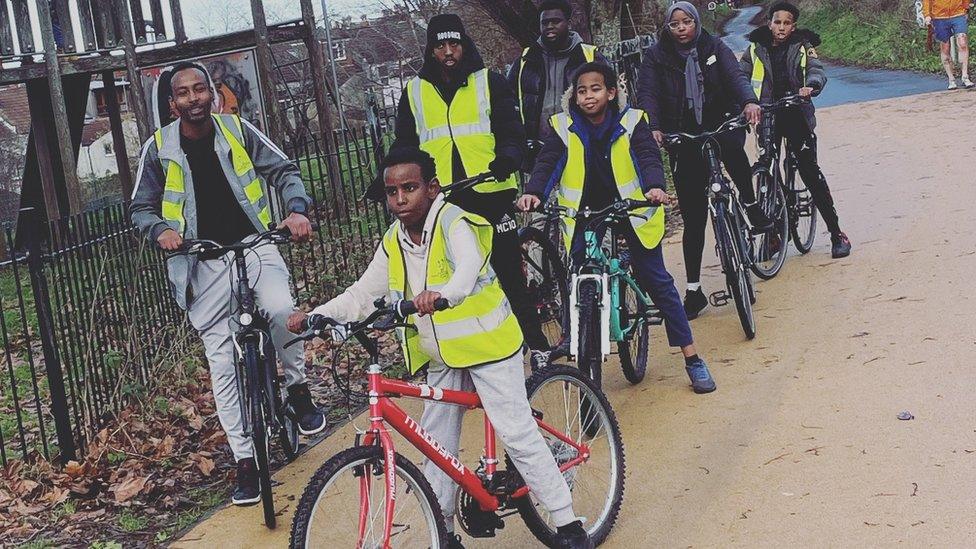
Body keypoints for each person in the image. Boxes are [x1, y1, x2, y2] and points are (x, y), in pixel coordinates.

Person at [290, 147, 595, 549]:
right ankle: (444, 532)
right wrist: (318, 315)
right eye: (391, 191)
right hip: (444, 353)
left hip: (489, 343)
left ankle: (567, 521)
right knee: (436, 445)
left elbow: (467, 271)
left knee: (516, 432)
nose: (400, 199)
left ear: (432, 188)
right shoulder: (394, 240)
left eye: (410, 188)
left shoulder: (454, 222)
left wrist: (443, 294)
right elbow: (362, 293)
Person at [129, 62, 326, 506]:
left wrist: (295, 209)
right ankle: (245, 460)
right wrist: (160, 230)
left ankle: (296, 388)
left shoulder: (237, 129)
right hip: (201, 263)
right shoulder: (158, 148)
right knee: (222, 361)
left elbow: (284, 170)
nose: (194, 98)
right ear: (172, 103)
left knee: (280, 310)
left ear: (212, 95)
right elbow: (140, 208)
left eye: (201, 89)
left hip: (256, 245)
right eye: (184, 93)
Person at [517, 62, 716, 394]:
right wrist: (534, 193)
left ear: (611, 92)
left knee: (657, 280)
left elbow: (648, 157)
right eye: (581, 91)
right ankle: (581, 354)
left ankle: (692, 358)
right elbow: (548, 162)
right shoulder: (563, 126)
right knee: (578, 279)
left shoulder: (633, 121)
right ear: (574, 96)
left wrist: (654, 187)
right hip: (582, 212)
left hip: (632, 208)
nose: (588, 96)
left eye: (596, 89)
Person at [386, 14, 553, 369]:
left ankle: (537, 345)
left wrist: (508, 157)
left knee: (507, 268)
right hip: (444, 196)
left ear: (464, 44)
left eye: (454, 44)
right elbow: (404, 144)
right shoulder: (414, 92)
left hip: (490, 190)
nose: (448, 52)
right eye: (440, 46)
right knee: (453, 276)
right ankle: (466, 350)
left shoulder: (488, 81)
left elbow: (511, 129)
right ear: (430, 50)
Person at [637, 1, 770, 321]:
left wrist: (749, 102)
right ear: (667, 27)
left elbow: (735, 76)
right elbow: (648, 94)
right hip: (682, 135)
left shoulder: (714, 46)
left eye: (686, 22)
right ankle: (694, 290)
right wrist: (653, 126)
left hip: (720, 119)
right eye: (675, 24)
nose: (681, 28)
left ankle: (750, 205)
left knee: (733, 152)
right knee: (694, 217)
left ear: (696, 22)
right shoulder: (655, 57)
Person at [741, 1, 852, 259]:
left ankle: (836, 233)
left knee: (809, 171)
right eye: (777, 22)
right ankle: (772, 236)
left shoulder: (803, 47)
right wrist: (744, 100)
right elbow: (741, 76)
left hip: (795, 113)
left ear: (793, 26)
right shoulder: (755, 49)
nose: (781, 27)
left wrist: (810, 86)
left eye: (786, 23)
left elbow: (816, 70)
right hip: (768, 114)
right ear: (768, 23)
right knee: (767, 169)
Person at [507, 0, 609, 170]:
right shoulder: (526, 60)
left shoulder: (590, 57)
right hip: (537, 154)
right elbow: (509, 103)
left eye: (556, 21)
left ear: (568, 23)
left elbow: (612, 100)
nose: (550, 26)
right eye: (545, 22)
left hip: (584, 147)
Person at [923, 0, 973, 89]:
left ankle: (965, 76)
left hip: (958, 14)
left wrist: (966, 8)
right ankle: (951, 79)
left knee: (962, 42)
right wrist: (927, 15)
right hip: (939, 17)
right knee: (945, 47)